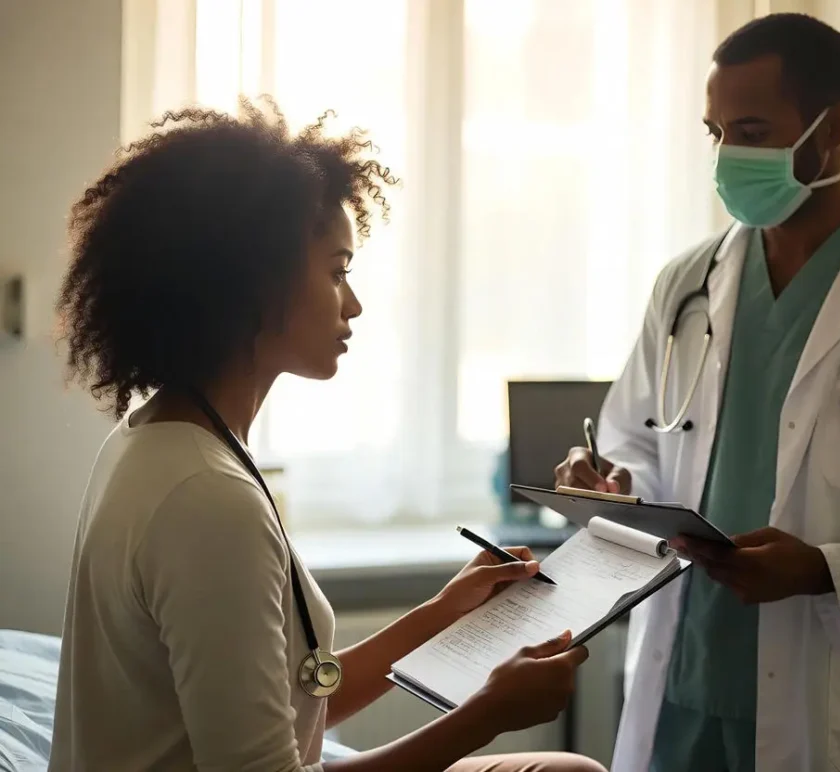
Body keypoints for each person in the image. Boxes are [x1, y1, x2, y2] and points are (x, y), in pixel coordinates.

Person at [49, 99, 607, 772]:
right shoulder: (207, 499)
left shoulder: (164, 440)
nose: (353, 302)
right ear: (254, 283)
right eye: (337, 270)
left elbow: (302, 693)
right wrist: (485, 716)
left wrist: (440, 612)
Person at [555, 13, 840, 772]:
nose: (730, 155)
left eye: (753, 129)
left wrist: (824, 568)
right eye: (717, 132)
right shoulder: (686, 285)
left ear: (835, 125)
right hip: (686, 675)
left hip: (832, 696)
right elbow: (634, 435)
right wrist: (611, 479)